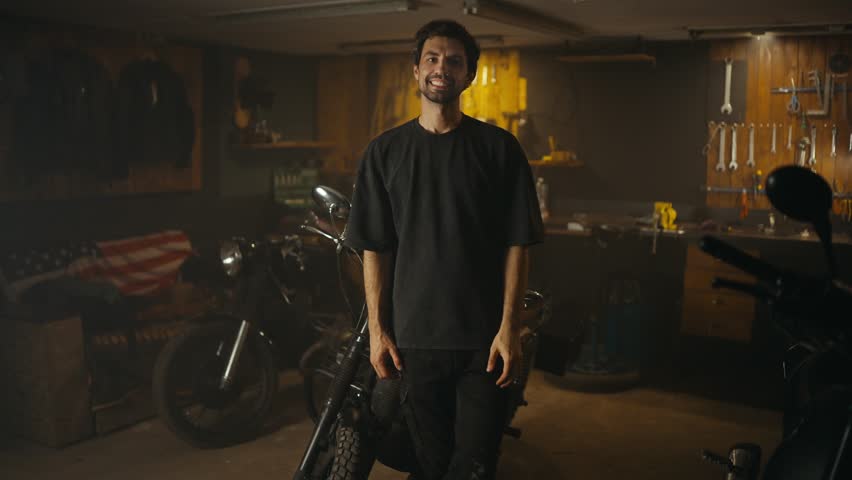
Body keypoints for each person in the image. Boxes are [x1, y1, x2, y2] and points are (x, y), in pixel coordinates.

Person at [344, 19, 544, 480]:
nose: (441, 68)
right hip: (414, 340)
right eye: (432, 58)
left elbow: (518, 245)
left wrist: (509, 330)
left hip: (483, 342)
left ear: (469, 75)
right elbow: (375, 248)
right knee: (431, 465)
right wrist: (378, 331)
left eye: (454, 61)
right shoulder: (384, 153)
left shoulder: (499, 149)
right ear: (415, 70)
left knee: (474, 464)